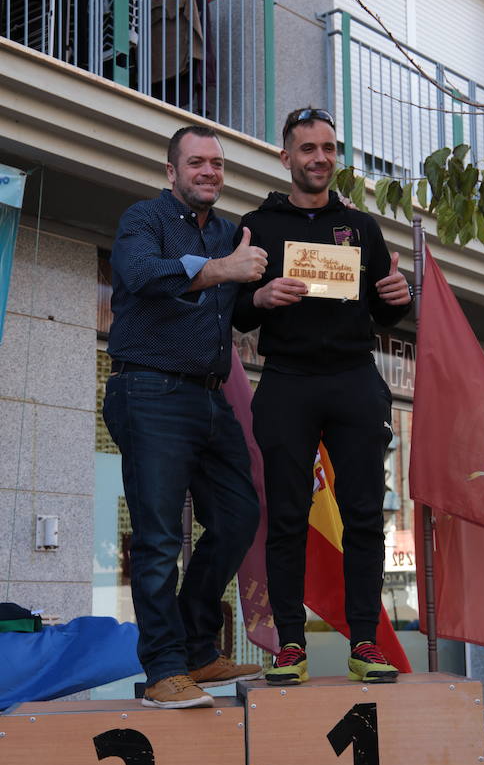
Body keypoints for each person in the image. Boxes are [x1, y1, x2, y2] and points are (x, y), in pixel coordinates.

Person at [234, 108, 413, 685]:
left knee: (366, 517)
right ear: (285, 157)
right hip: (286, 381)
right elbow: (234, 314)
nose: (320, 158)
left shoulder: (361, 227)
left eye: (329, 148)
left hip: (354, 379)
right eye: (308, 149)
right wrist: (259, 300)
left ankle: (366, 641)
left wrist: (400, 294)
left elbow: (388, 308)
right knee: (285, 517)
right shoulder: (256, 225)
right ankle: (289, 646)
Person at [103, 124, 268, 708]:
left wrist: (261, 296)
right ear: (171, 172)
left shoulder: (230, 231)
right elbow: (142, 276)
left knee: (237, 517)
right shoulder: (143, 219)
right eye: (196, 163)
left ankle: (198, 650)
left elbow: (241, 302)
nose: (208, 172)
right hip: (147, 389)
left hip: (209, 394)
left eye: (217, 165)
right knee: (158, 536)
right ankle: (162, 671)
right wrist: (225, 270)